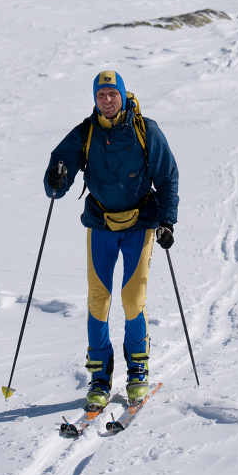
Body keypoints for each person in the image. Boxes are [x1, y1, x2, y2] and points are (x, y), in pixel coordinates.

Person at [44, 70, 179, 409]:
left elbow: (167, 178)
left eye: (112, 94)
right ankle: (99, 377)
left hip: (140, 225)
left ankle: (138, 370)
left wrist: (167, 222)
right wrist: (56, 178)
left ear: (122, 95)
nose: (107, 100)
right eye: (101, 95)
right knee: (97, 300)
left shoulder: (146, 130)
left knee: (133, 299)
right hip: (101, 225)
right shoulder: (84, 133)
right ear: (95, 99)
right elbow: (56, 181)